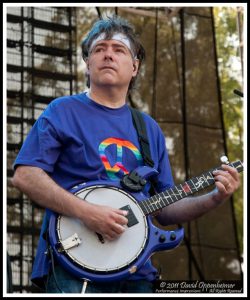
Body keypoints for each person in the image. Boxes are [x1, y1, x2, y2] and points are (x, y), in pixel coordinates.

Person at [11, 15, 241, 294]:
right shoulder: (62, 111)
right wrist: (88, 213)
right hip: (73, 265)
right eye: (99, 49)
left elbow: (166, 209)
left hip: (138, 273)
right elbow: (25, 176)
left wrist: (215, 197)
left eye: (118, 49)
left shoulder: (149, 129)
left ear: (134, 67)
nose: (108, 54)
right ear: (88, 64)